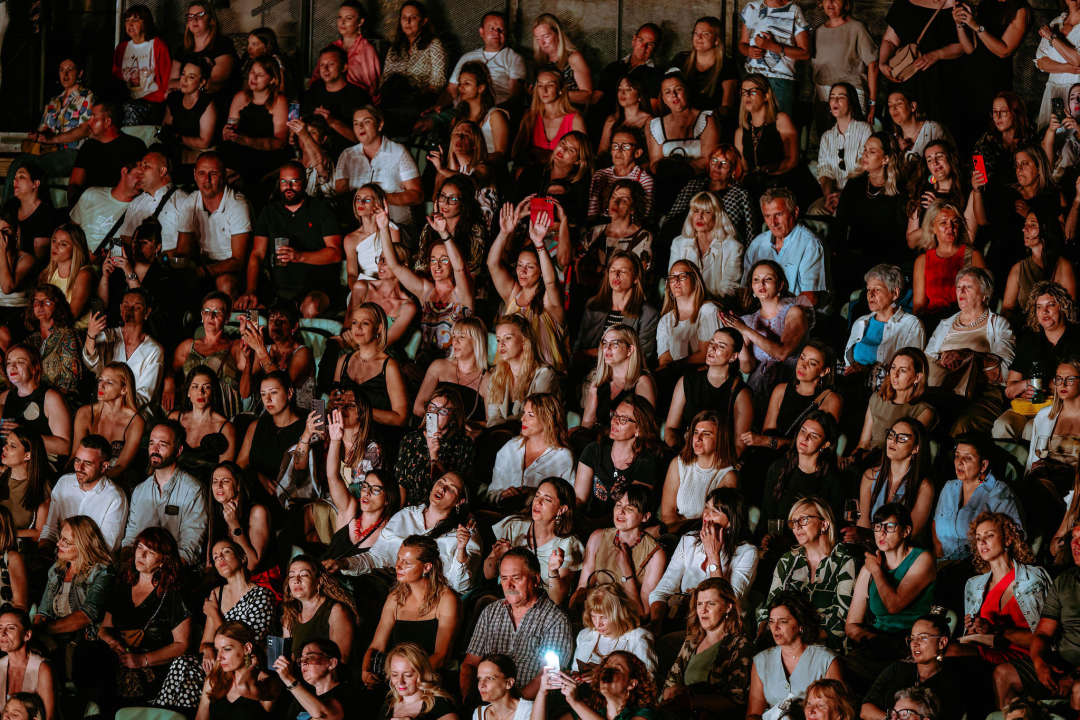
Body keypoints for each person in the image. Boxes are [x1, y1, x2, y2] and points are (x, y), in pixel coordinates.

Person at [77, 528, 191, 711]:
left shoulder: (172, 593)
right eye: (140, 547)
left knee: (105, 674)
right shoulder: (124, 584)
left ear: (164, 560)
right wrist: (113, 643)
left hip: (150, 665)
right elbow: (105, 628)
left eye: (150, 552)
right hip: (118, 657)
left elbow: (182, 644)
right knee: (86, 652)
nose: (142, 555)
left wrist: (142, 660)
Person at [153, 540, 276, 709]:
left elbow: (244, 643)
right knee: (182, 664)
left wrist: (214, 614)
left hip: (247, 663)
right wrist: (208, 650)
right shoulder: (217, 593)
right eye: (216, 557)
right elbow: (205, 642)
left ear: (242, 558)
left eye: (226, 552)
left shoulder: (262, 595)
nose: (220, 558)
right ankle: (165, 714)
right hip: (220, 662)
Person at [340, 471, 482, 596]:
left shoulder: (465, 531)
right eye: (440, 482)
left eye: (451, 489)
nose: (442, 489)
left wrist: (461, 550)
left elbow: (460, 587)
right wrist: (345, 563)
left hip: (429, 599)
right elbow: (376, 558)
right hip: (387, 587)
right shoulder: (406, 515)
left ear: (460, 501)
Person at [461, 548, 574, 701]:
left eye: (516, 578)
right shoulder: (491, 611)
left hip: (529, 705)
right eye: (504, 578)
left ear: (536, 579)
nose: (509, 585)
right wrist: (468, 700)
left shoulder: (555, 619)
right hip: (486, 701)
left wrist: (512, 706)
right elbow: (470, 663)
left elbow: (548, 674)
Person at [949, 513, 1050, 676]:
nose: (982, 542)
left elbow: (1051, 634)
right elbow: (972, 637)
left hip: (1030, 653)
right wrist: (973, 628)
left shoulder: (1034, 577)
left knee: (952, 652)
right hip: (990, 649)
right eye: (978, 538)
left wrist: (997, 630)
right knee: (944, 653)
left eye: (989, 535)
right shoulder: (973, 585)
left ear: (1008, 539)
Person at [845, 502, 937, 681]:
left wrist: (876, 571)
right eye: (877, 527)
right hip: (878, 643)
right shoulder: (868, 569)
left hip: (911, 644)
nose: (882, 533)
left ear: (906, 531)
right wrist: (874, 639)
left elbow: (894, 605)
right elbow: (851, 625)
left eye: (890, 527)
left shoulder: (922, 558)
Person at [378, 203, 475, 366]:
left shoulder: (463, 292)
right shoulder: (425, 290)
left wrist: (443, 233)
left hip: (455, 365)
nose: (437, 266)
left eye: (444, 260)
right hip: (425, 364)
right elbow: (394, 265)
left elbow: (460, 269)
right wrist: (383, 228)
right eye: (433, 260)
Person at [996, 520, 1080, 706]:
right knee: (1004, 674)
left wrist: (1075, 675)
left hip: (1076, 673)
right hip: (1062, 663)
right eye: (1074, 538)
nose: (1075, 545)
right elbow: (1043, 633)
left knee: (1078, 690)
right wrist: (1040, 663)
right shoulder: (1064, 581)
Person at [925, 267, 1016, 434]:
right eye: (959, 287)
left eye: (968, 287)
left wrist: (966, 356)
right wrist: (946, 361)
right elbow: (927, 359)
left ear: (984, 295)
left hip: (983, 392)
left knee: (962, 427)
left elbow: (1005, 372)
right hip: (943, 388)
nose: (961, 291)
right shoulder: (945, 324)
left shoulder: (999, 324)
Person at [758, 497, 855, 652]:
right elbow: (770, 607)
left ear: (824, 524)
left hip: (828, 649)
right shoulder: (788, 561)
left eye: (803, 520)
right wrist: (763, 633)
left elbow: (841, 621)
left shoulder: (844, 562)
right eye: (793, 522)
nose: (796, 527)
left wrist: (799, 642)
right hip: (786, 644)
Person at [933, 434, 1025, 596]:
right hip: (943, 564)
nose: (959, 462)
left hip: (979, 569)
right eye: (957, 456)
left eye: (967, 458)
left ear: (983, 465)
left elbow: (1013, 539)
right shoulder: (949, 488)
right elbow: (935, 523)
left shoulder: (998, 493)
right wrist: (938, 554)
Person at [361, 535, 459, 683]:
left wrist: (407, 678)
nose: (398, 566)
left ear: (426, 567)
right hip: (396, 678)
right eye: (398, 558)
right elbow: (376, 647)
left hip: (429, 678)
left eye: (406, 562)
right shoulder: (395, 598)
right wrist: (365, 671)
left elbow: (441, 656)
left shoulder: (446, 598)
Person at [650, 488, 758, 621]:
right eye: (706, 507)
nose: (706, 514)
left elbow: (726, 603)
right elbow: (663, 589)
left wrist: (713, 556)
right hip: (686, 618)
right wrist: (656, 623)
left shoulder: (747, 552)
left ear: (730, 521)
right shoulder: (689, 540)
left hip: (725, 623)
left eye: (715, 511)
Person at [1, 56, 94, 206]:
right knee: (18, 164)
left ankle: (19, 211)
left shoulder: (87, 96)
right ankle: (8, 212)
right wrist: (37, 136)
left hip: (73, 153)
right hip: (49, 152)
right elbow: (44, 128)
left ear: (80, 73)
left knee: (30, 170)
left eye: (70, 70)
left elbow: (85, 129)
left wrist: (53, 139)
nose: (65, 74)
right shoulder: (53, 101)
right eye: (61, 70)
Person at [974, 145, 1067, 285]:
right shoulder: (1007, 193)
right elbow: (983, 221)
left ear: (1040, 167)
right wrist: (977, 191)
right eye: (1017, 164)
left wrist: (1030, 214)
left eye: (1025, 163)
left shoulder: (1053, 196)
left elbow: (1063, 233)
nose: (1019, 169)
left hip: (1038, 266)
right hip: (1002, 262)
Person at [662, 578, 755, 714]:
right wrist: (671, 691)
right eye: (699, 604)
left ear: (728, 607)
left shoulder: (740, 644)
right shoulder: (692, 640)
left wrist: (694, 700)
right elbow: (671, 680)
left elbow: (737, 701)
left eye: (711, 604)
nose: (703, 610)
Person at [746, 591, 843, 720]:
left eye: (783, 621)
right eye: (771, 621)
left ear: (801, 625)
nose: (775, 627)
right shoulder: (761, 661)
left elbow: (840, 711)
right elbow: (753, 714)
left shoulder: (827, 661)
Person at [312, 408, 397, 554]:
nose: (367, 493)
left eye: (375, 490)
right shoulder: (349, 509)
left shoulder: (390, 531)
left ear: (388, 499)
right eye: (365, 486)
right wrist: (335, 440)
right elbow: (333, 477)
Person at [121, 420, 207, 565]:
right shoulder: (140, 490)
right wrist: (125, 564)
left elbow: (191, 545)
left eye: (162, 444)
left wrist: (164, 570)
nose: (154, 450)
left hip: (174, 568)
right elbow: (131, 535)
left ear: (178, 451)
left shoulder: (193, 490)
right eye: (151, 443)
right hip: (141, 567)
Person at [725, 259, 811, 403]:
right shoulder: (748, 320)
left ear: (780, 285)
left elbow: (782, 353)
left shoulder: (794, 312)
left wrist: (746, 330)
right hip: (759, 385)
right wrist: (739, 334)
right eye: (756, 279)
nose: (761, 284)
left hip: (791, 383)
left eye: (768, 279)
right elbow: (747, 368)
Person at [571, 486, 665, 617]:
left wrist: (627, 572)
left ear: (645, 517)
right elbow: (582, 587)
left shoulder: (655, 553)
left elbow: (643, 612)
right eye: (618, 505)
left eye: (630, 508)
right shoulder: (598, 537)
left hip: (626, 618)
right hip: (595, 613)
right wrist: (570, 613)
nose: (620, 512)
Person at [486, 478, 583, 606]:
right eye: (537, 496)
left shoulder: (568, 544)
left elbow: (557, 600)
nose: (538, 502)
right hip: (504, 596)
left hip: (540, 606)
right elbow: (488, 574)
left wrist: (553, 571)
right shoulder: (514, 526)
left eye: (547, 499)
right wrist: (497, 557)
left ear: (562, 509)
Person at [741, 338, 842, 456]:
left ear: (824, 371)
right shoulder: (781, 390)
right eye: (802, 358)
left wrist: (770, 442)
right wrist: (767, 441)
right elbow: (767, 434)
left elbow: (818, 445)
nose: (803, 365)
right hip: (771, 455)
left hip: (800, 459)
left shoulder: (831, 399)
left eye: (812, 363)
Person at [733, 75, 819, 211]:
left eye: (753, 91)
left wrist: (765, 171)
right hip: (758, 187)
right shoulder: (740, 132)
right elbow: (744, 171)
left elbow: (792, 160)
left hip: (785, 182)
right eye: (743, 92)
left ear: (766, 96)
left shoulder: (781, 120)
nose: (747, 95)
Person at [334, 106, 423, 235]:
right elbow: (338, 187)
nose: (360, 127)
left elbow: (417, 196)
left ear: (380, 124)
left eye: (366, 122)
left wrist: (378, 196)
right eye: (356, 123)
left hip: (396, 226)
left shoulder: (398, 152)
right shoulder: (348, 155)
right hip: (363, 228)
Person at [760, 412, 845, 546]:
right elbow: (767, 513)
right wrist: (764, 538)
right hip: (776, 544)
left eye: (813, 436)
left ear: (825, 444)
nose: (804, 438)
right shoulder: (778, 468)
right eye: (803, 431)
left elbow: (833, 528)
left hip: (812, 547)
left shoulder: (832, 480)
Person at [664, 328, 752, 453]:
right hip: (684, 451)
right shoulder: (687, 381)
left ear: (733, 356)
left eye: (721, 346)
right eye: (712, 342)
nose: (712, 348)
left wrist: (710, 463)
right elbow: (670, 428)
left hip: (720, 457)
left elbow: (739, 446)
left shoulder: (741, 392)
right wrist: (682, 455)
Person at [845, 349, 936, 469]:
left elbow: (903, 451)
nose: (895, 374)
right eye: (893, 367)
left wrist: (859, 459)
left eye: (903, 370)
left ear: (918, 377)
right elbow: (863, 443)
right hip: (865, 459)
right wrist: (849, 460)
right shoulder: (877, 399)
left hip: (893, 466)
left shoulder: (924, 411)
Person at [576, 396, 662, 523]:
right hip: (590, 519)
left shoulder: (646, 462)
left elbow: (630, 512)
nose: (614, 421)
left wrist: (591, 525)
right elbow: (579, 498)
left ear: (639, 429)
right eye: (615, 415)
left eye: (623, 419)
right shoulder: (594, 450)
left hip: (623, 525)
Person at [161, 291, 248, 416]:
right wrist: (169, 383)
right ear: (201, 315)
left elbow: (250, 373)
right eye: (206, 311)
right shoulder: (188, 346)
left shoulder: (235, 347)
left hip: (223, 414)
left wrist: (246, 335)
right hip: (191, 413)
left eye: (217, 312)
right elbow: (169, 368)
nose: (211, 316)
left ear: (227, 317)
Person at [174, 153, 251, 291]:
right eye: (202, 173)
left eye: (213, 173)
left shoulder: (237, 204)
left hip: (235, 269)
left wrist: (201, 271)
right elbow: (183, 252)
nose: (207, 179)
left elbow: (238, 260)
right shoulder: (190, 202)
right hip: (205, 266)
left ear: (224, 175)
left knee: (224, 282)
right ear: (194, 174)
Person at [861, 615, 962, 720]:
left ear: (942, 642)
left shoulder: (953, 684)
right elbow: (865, 709)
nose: (915, 644)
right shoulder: (897, 669)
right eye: (912, 638)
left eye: (923, 637)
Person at [743, 187, 829, 309]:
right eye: (767, 216)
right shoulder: (757, 243)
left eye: (779, 214)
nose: (773, 223)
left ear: (795, 212)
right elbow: (744, 289)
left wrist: (774, 311)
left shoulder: (810, 244)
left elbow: (810, 298)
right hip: (763, 311)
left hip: (801, 313)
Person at [40, 435, 127, 554]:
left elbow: (106, 547)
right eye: (77, 460)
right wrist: (42, 553)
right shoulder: (64, 483)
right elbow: (50, 530)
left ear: (104, 467)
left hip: (93, 560)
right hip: (60, 554)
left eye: (87, 463)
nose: (79, 468)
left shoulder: (115, 498)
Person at [33, 516, 115, 642]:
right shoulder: (57, 569)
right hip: (54, 638)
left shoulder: (101, 572)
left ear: (83, 545)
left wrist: (46, 630)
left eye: (65, 541)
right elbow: (43, 612)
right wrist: (35, 636)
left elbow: (86, 616)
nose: (58, 544)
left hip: (84, 641)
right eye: (60, 537)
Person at [332, 302, 410, 429]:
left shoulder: (389, 366)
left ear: (378, 328)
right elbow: (336, 406)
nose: (358, 328)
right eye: (354, 322)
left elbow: (401, 419)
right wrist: (333, 403)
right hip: (348, 433)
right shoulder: (343, 361)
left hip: (378, 434)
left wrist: (363, 410)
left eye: (365, 323)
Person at [574, 253, 660, 367]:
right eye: (612, 270)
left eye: (623, 271)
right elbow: (579, 353)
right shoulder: (593, 307)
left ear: (636, 278)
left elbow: (641, 357)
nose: (616, 275)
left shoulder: (648, 314)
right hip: (590, 370)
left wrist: (595, 353)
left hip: (624, 373)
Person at [842, 265, 926, 381]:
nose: (870, 294)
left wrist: (870, 373)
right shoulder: (860, 323)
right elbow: (848, 362)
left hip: (888, 388)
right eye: (868, 289)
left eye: (877, 289)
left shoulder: (912, 325)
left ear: (895, 293)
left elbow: (908, 372)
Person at [835, 132, 908, 263]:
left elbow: (900, 233)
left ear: (886, 159)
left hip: (886, 258)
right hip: (855, 254)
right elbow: (841, 221)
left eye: (872, 151)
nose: (865, 155)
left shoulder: (900, 189)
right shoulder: (855, 182)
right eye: (864, 150)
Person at [663, 144, 756, 247]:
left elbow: (750, 233)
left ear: (734, 170)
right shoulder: (694, 186)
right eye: (714, 161)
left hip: (724, 247)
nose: (717, 166)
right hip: (686, 242)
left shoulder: (741, 195)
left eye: (724, 163)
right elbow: (672, 217)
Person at [660, 410, 738, 532]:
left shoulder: (728, 476)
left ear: (720, 439)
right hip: (674, 531)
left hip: (704, 535)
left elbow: (714, 521)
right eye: (696, 432)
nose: (698, 438)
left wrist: (688, 535)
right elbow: (667, 513)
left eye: (706, 434)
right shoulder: (678, 463)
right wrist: (682, 535)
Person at [396, 387, 476, 507]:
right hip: (411, 508)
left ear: (454, 418)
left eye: (443, 411)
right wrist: (398, 514)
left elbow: (453, 490)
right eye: (432, 408)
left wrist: (434, 455)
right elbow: (401, 484)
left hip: (441, 508)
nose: (435, 414)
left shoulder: (464, 445)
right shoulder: (410, 439)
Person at [82, 292, 164, 407]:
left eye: (137, 307)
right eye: (126, 306)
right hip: (102, 403)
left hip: (134, 409)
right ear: (121, 309)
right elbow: (91, 364)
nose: (130, 310)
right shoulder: (109, 336)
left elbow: (145, 393)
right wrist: (91, 335)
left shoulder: (154, 349)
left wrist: (117, 407)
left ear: (147, 312)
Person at [206, 462, 275, 594]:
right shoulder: (215, 514)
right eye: (215, 481)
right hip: (230, 583)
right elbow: (209, 563)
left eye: (225, 481)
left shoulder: (258, 511)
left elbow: (251, 564)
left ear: (238, 485)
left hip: (260, 585)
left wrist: (234, 524)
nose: (219, 486)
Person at [421, 62, 510, 164]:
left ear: (481, 88)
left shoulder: (495, 116)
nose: (461, 87)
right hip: (459, 167)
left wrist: (472, 160)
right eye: (460, 83)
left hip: (485, 167)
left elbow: (500, 154)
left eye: (467, 83)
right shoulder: (459, 116)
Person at [483, 317, 559, 434]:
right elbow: (494, 416)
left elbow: (534, 417)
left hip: (535, 436)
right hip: (502, 436)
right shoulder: (497, 374)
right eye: (498, 340)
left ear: (524, 341)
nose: (501, 344)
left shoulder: (544, 374)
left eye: (508, 338)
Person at [380, 1, 449, 128]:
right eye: (404, 17)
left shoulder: (434, 44)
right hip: (394, 98)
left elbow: (438, 81)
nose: (408, 21)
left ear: (423, 21)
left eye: (413, 17)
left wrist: (418, 93)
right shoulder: (395, 49)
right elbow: (385, 78)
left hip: (421, 99)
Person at [193, 621, 281, 720]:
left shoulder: (270, 684)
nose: (219, 658)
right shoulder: (214, 679)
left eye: (227, 649)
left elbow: (244, 687)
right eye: (217, 650)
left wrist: (255, 666)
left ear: (247, 648)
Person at [811, 0, 879, 128]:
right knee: (827, 136)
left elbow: (873, 65)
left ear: (846, 5)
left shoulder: (857, 28)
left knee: (853, 134)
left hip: (851, 93)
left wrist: (872, 104)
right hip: (823, 95)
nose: (830, 2)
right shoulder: (818, 31)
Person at [236, 372, 305, 497]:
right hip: (254, 494)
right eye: (263, 394)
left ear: (289, 393)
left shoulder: (305, 429)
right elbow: (240, 465)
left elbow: (303, 473)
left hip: (290, 499)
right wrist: (258, 476)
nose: (267, 399)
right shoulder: (256, 426)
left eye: (273, 392)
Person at [436, 12, 525, 109]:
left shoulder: (514, 58)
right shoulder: (467, 57)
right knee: (429, 119)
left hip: (494, 110)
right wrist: (439, 106)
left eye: (501, 29)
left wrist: (493, 112)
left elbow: (516, 96)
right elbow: (451, 90)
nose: (496, 33)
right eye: (491, 28)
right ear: (481, 32)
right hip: (462, 110)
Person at [533, 650, 656, 720]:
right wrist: (542, 692)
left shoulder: (643, 714)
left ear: (631, 684)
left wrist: (576, 702)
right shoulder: (591, 710)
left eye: (616, 669)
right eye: (604, 668)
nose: (606, 672)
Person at [578, 324, 657, 433]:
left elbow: (644, 428)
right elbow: (587, 425)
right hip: (598, 438)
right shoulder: (598, 382)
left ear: (630, 349)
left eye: (614, 343)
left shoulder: (642, 381)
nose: (607, 348)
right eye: (604, 343)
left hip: (625, 441)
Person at [281, 556, 359, 666]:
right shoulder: (290, 617)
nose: (296, 581)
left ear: (319, 581)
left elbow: (340, 661)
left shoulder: (335, 610)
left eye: (303, 575)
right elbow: (290, 659)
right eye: (291, 576)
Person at [238, 299, 315, 410]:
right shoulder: (266, 350)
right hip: (271, 414)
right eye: (271, 319)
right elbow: (245, 393)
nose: (275, 323)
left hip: (298, 414)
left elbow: (282, 386)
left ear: (294, 327)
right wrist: (249, 361)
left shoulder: (303, 352)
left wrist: (259, 349)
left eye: (281, 320)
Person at [65, 102, 147, 206]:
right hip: (88, 206)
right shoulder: (88, 147)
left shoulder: (134, 146)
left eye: (93, 117)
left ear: (107, 122)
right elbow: (74, 183)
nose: (89, 121)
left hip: (118, 207)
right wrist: (75, 207)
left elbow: (139, 184)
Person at [738, 0, 810, 116]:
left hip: (781, 80)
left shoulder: (794, 10)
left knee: (780, 122)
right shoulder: (751, 8)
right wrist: (748, 51)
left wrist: (773, 47)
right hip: (753, 79)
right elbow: (743, 43)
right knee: (752, 123)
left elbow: (805, 53)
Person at [666, 193, 743, 300]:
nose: (699, 216)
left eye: (706, 212)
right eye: (696, 211)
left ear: (717, 216)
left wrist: (706, 307)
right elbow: (673, 281)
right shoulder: (678, 243)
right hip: (683, 303)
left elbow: (728, 289)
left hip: (717, 305)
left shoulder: (733, 247)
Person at [646, 71, 719, 182]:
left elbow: (708, 159)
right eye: (667, 92)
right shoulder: (657, 125)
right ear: (664, 99)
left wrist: (683, 170)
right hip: (667, 182)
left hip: (699, 181)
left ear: (687, 92)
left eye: (678, 89)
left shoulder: (706, 119)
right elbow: (654, 163)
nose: (674, 95)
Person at [1004, 210, 1076, 323]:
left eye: (1033, 225)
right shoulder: (1018, 268)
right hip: (1026, 328)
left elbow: (1070, 309)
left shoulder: (1064, 266)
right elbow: (1007, 309)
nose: (1024, 229)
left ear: (1046, 229)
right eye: (1025, 224)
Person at [0, 346, 72, 459]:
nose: (12, 367)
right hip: (11, 461)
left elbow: (65, 447)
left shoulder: (50, 397)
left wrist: (24, 435)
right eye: (9, 363)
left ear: (35, 367)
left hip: (41, 462)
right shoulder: (4, 397)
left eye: (20, 362)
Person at [813, 83, 873, 216]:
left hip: (858, 193)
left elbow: (866, 170)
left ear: (851, 103)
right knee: (815, 211)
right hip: (834, 194)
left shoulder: (864, 130)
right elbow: (824, 171)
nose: (835, 101)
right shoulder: (827, 137)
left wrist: (845, 195)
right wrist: (829, 196)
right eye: (832, 97)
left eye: (841, 97)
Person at [168, 366, 238, 479]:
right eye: (195, 386)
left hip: (205, 486)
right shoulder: (175, 418)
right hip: (171, 483)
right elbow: (162, 456)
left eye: (206, 387)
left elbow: (224, 474)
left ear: (213, 391)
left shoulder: (226, 428)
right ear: (188, 392)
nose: (200, 392)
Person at [301, 45, 370, 159]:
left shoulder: (359, 96)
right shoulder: (311, 94)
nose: (325, 68)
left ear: (344, 67)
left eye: (331, 64)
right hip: (315, 157)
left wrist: (333, 122)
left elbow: (366, 138)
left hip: (350, 158)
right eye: (322, 65)